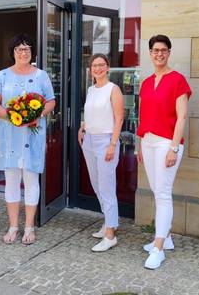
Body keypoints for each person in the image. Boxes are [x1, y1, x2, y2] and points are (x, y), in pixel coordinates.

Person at [0, 34, 56, 245]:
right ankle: (13, 226)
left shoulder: (41, 75)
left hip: (33, 134)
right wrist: (14, 117)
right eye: (19, 49)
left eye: (27, 49)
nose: (23, 52)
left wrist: (36, 116)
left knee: (32, 180)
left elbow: (51, 101)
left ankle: (29, 227)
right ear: (13, 53)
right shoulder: (1, 76)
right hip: (9, 135)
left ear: (32, 52)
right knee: (12, 181)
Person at [137, 34, 191, 269]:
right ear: (150, 53)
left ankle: (158, 248)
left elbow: (182, 116)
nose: (159, 54)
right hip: (148, 142)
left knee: (163, 192)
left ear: (169, 52)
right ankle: (165, 237)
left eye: (163, 50)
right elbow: (143, 115)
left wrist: (173, 146)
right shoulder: (146, 82)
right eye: (155, 50)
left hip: (166, 143)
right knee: (156, 189)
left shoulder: (177, 80)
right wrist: (140, 143)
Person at [78, 54, 124, 252]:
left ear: (107, 67)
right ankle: (109, 221)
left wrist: (113, 144)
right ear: (90, 69)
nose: (97, 68)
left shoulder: (113, 89)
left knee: (106, 187)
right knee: (96, 184)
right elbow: (93, 114)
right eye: (94, 65)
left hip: (106, 141)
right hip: (89, 139)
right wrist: (83, 126)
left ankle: (110, 234)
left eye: (101, 65)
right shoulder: (90, 89)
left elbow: (119, 118)